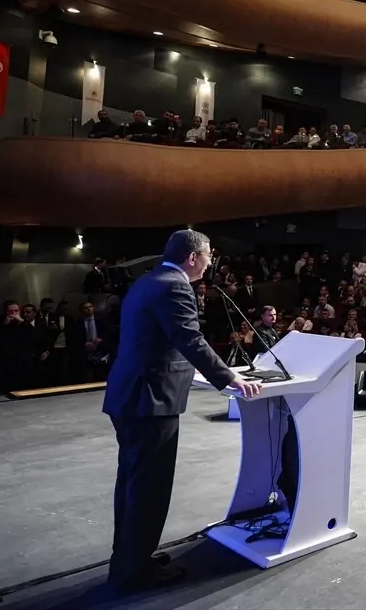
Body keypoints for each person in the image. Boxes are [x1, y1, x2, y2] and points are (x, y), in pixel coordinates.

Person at [103, 230, 261, 593]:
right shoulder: (175, 286)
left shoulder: (149, 280)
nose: (210, 263)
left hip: (132, 394)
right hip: (150, 399)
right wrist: (230, 379)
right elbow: (190, 338)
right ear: (193, 257)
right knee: (149, 488)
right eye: (208, 257)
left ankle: (130, 557)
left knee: (131, 482)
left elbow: (165, 339)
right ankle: (135, 572)